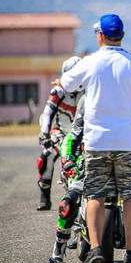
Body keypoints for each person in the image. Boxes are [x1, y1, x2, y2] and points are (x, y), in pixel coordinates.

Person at [57, 13, 131, 263]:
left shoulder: (90, 62)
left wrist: (60, 82)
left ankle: (96, 249)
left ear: (99, 36)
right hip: (130, 144)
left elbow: (66, 84)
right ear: (122, 36)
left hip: (96, 143)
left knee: (95, 195)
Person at [48, 103, 131, 263]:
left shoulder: (130, 100)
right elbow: (73, 135)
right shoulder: (88, 100)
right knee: (68, 203)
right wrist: (68, 159)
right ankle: (59, 246)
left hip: (126, 160)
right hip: (90, 162)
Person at [36, 56, 83, 210]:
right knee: (46, 155)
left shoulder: (91, 91)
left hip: (84, 133)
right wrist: (45, 135)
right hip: (61, 132)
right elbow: (47, 113)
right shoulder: (58, 91)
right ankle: (44, 194)